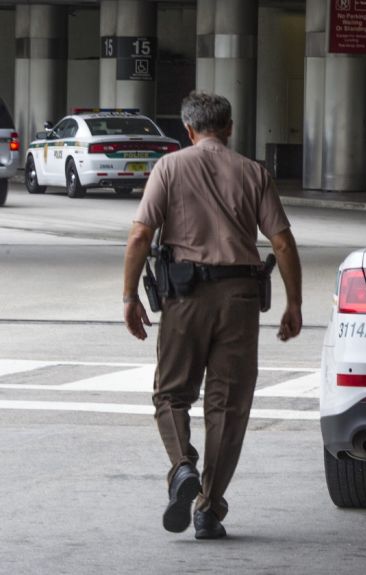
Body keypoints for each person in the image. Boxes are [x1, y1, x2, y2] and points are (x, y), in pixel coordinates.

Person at [121, 91, 303, 540]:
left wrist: (129, 295)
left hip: (184, 299)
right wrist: (293, 303)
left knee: (171, 395)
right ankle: (208, 508)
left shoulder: (170, 166)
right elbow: (281, 242)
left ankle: (182, 466)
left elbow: (141, 233)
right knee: (229, 407)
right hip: (240, 300)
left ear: (187, 129)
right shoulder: (253, 172)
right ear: (230, 127)